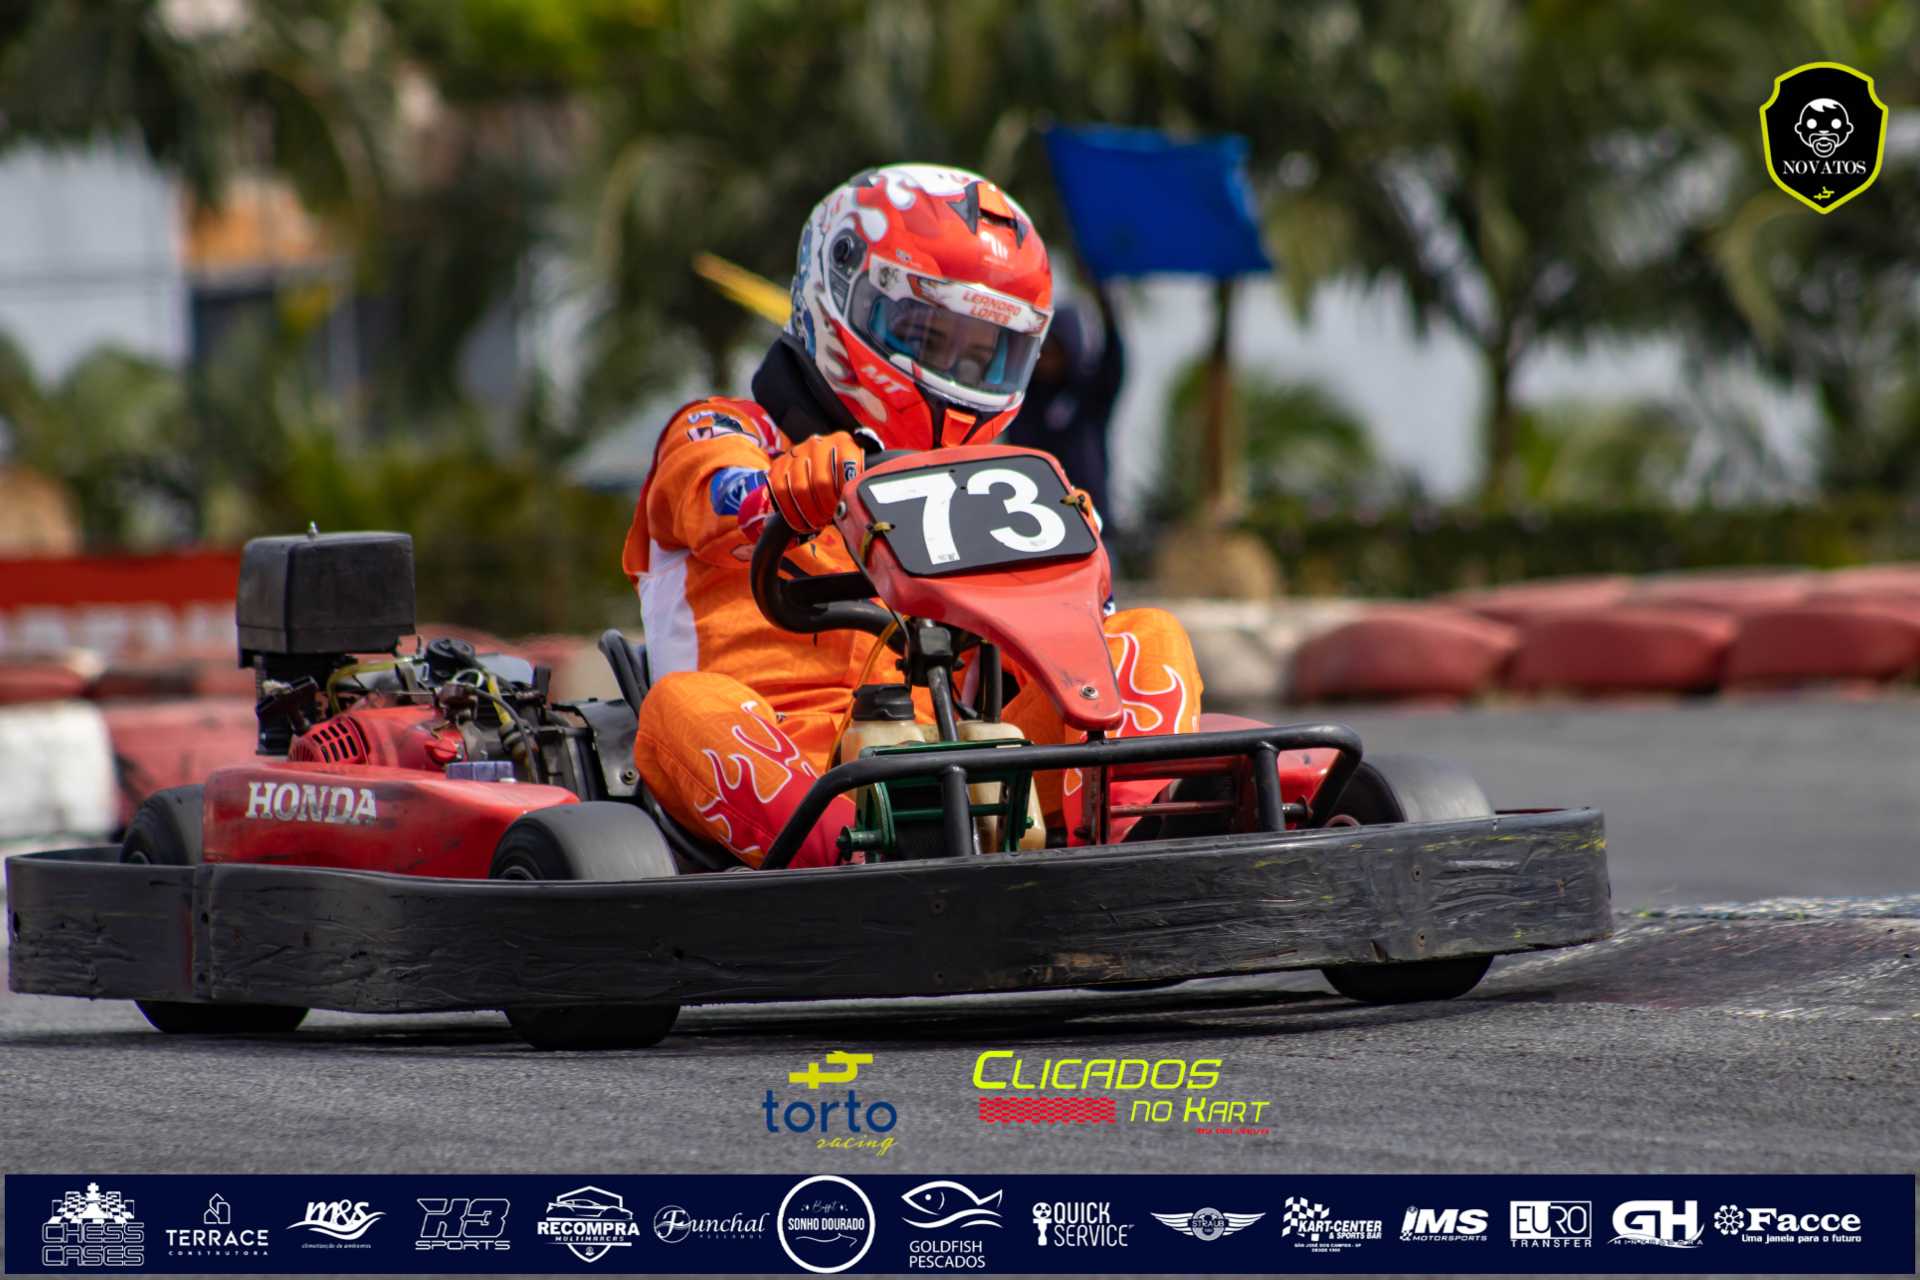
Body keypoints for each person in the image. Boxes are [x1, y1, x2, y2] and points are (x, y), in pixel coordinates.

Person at [621, 164, 1203, 868]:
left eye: (982, 355)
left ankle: (1126, 857)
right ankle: (852, 867)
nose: (954, 373)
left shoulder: (992, 484)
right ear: (841, 291)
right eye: (927, 335)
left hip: (964, 766)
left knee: (1147, 637)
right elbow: (712, 493)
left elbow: (1061, 654)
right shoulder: (723, 430)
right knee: (681, 706)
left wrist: (1070, 572)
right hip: (778, 752)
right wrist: (789, 492)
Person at [1003, 287, 1124, 523]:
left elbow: (1113, 362)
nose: (1047, 359)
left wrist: (1105, 303)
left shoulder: (1089, 394)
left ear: (1070, 349)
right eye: (1042, 351)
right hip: (1034, 520)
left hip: (1091, 520)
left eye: (1055, 350)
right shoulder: (1021, 400)